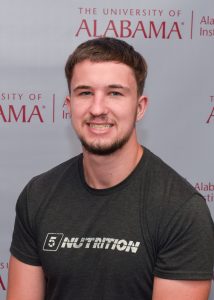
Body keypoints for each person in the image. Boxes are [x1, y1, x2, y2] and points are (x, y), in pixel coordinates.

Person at [7, 37, 214, 300]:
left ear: (139, 108)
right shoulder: (38, 195)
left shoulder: (180, 209)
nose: (97, 108)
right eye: (85, 93)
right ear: (69, 106)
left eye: (115, 93)